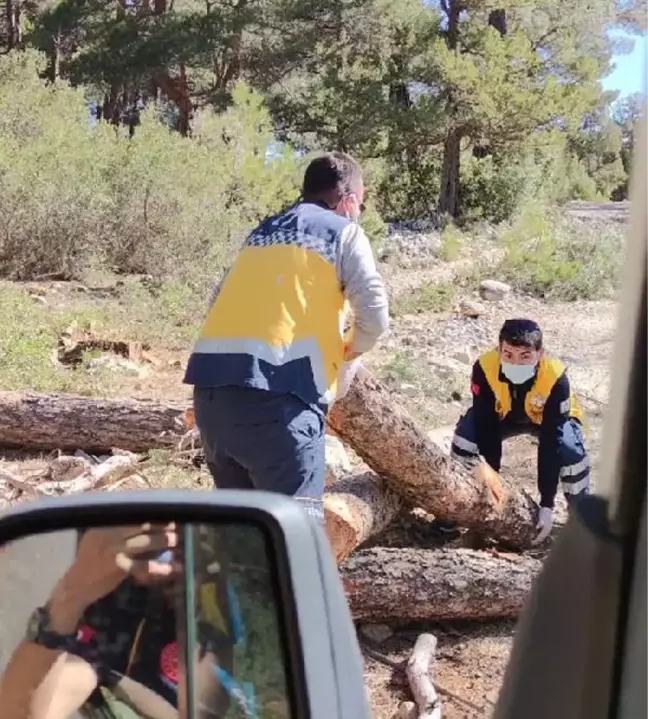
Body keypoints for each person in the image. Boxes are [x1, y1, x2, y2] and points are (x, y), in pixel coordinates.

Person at [185, 151, 390, 523]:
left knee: (242, 536)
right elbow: (375, 316)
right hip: (282, 401)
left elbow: (218, 300)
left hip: (212, 397)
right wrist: (349, 353)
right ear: (347, 201)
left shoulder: (260, 233)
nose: (359, 212)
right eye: (360, 203)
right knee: (293, 541)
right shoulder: (343, 231)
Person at [0, 524, 241, 719]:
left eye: (182, 550)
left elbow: (206, 705)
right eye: (161, 549)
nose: (170, 565)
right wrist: (73, 594)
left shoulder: (210, 602)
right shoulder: (100, 624)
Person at [446, 318, 590, 545]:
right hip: (504, 417)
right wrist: (491, 488)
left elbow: (552, 440)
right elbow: (487, 429)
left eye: (525, 356)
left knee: (570, 451)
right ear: (498, 350)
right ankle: (454, 510)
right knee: (466, 438)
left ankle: (580, 520)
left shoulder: (555, 378)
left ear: (540, 354)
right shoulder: (484, 368)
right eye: (508, 354)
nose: (516, 362)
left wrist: (547, 505)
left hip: (549, 422)